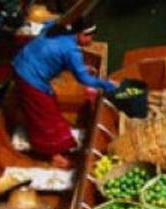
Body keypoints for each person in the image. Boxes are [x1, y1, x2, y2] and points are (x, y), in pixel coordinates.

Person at [12, 17, 117, 168]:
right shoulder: (71, 50)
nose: (91, 40)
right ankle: (53, 155)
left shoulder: (55, 29)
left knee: (48, 106)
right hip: (29, 76)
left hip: (21, 63)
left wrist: (81, 67)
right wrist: (108, 85)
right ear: (80, 35)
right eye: (89, 36)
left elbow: (48, 29)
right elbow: (84, 79)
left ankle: (57, 144)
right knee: (45, 116)